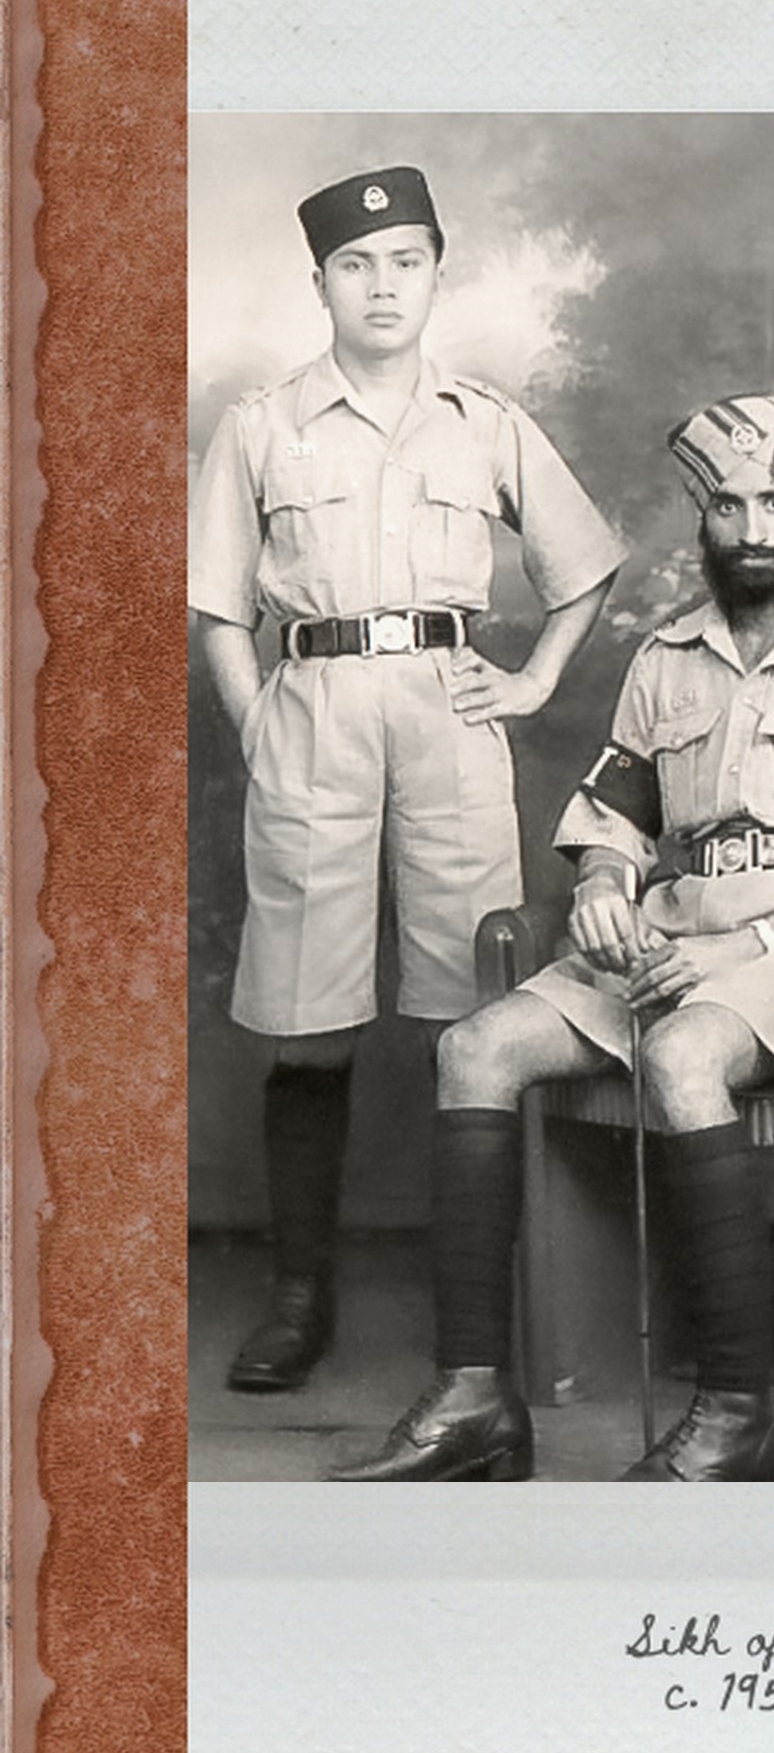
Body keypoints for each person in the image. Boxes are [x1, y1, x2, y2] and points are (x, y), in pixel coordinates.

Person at [331, 392, 774, 1482]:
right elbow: (615, 817)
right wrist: (605, 882)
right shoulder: (666, 656)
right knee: (471, 1048)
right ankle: (477, 1395)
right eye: (729, 506)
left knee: (681, 1052)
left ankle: (737, 1412)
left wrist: (751, 948)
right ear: (700, 517)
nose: (755, 529)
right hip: (678, 934)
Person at [190, 165, 625, 1393]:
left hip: (447, 708)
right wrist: (256, 717)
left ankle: (478, 1298)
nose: (382, 286)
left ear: (439, 273)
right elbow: (220, 606)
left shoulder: (484, 420)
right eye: (356, 266)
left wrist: (534, 680)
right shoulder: (264, 424)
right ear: (318, 280)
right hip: (313, 712)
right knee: (305, 1019)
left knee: (470, 1015)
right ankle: (296, 1295)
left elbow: (580, 566)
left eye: (406, 262)